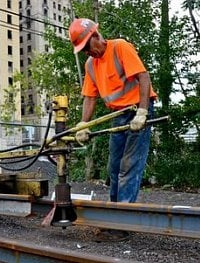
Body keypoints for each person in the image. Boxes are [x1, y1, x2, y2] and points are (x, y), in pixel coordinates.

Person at [69, 18, 158, 238]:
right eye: (85, 52)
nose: (89, 54)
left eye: (88, 49)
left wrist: (143, 112)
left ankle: (123, 223)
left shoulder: (120, 47)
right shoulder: (91, 65)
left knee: (129, 166)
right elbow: (89, 98)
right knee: (114, 167)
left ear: (96, 37)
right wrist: (84, 125)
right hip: (118, 116)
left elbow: (143, 77)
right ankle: (113, 216)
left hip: (138, 111)